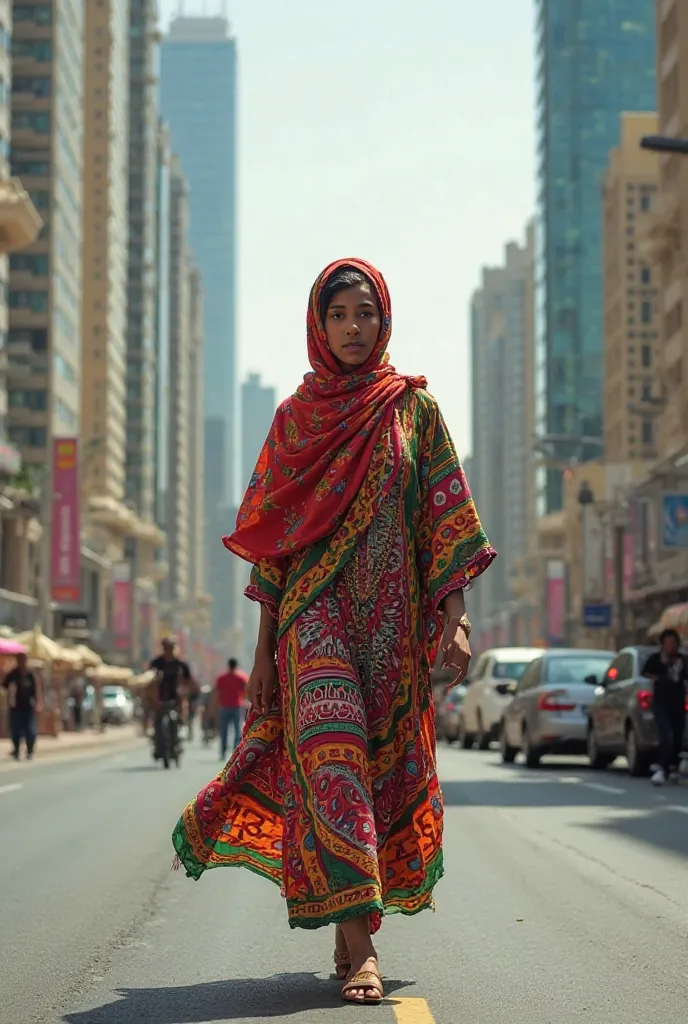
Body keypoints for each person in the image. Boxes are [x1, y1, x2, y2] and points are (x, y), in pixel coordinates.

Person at [172, 258, 496, 1004]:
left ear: (385, 322)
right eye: (340, 315)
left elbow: (444, 525)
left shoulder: (414, 412)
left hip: (393, 629)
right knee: (333, 761)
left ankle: (345, 932)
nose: (354, 328)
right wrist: (261, 655)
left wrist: (456, 621)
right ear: (318, 327)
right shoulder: (295, 418)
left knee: (369, 785)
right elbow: (275, 547)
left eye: (366, 314)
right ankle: (366, 951)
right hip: (311, 622)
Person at [642, 628, 688, 786]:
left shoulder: (682, 660)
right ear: (662, 644)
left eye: (674, 643)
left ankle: (673, 766)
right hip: (660, 703)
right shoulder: (655, 659)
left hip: (678, 703)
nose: (671, 646)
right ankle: (662, 768)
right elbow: (646, 672)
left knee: (677, 736)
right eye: (668, 643)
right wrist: (658, 678)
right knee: (665, 734)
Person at [149, 639, 192, 757]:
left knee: (181, 713)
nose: (169, 651)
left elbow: (189, 681)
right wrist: (153, 697)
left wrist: (184, 692)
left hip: (176, 698)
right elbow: (150, 680)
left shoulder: (181, 665)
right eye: (166, 648)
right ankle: (156, 743)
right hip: (160, 698)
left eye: (171, 648)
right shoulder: (156, 663)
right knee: (156, 720)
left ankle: (181, 735)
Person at [3, 652, 41, 760]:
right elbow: (4, 686)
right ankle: (16, 750)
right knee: (15, 730)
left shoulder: (30, 674)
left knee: (30, 730)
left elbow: (36, 690)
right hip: (15, 706)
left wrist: (38, 703)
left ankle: (29, 750)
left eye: (23, 659)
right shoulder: (13, 674)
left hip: (28, 706)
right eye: (20, 659)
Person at [215, 658, 248, 759]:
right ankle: (235, 751)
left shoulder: (222, 678)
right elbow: (247, 691)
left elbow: (216, 692)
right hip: (237, 706)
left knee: (224, 730)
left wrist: (214, 706)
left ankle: (223, 751)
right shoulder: (242, 677)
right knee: (237, 729)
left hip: (224, 706)